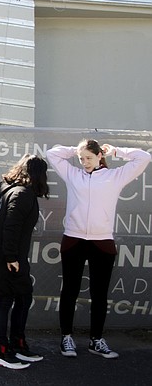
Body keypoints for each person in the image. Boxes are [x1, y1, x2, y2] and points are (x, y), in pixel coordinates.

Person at [46, 139, 151, 359]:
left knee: (99, 293)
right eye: (81, 158)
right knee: (70, 291)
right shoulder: (73, 174)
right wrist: (74, 149)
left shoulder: (115, 177)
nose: (84, 162)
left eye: (89, 158)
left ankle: (96, 340)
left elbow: (144, 158)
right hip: (74, 239)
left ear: (100, 156)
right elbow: (52, 154)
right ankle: (66, 337)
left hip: (102, 242)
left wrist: (116, 151)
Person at [0, 154, 50, 370]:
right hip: (5, 257)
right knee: (4, 301)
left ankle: (18, 345)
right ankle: (1, 352)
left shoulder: (18, 191)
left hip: (9, 255)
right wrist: (11, 257)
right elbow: (10, 226)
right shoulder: (21, 194)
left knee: (23, 296)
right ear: (38, 174)